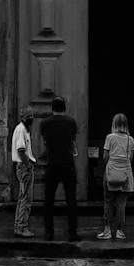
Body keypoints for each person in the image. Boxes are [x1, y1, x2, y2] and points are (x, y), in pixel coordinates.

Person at [38, 96, 80, 242]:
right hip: (68, 163)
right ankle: (72, 233)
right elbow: (72, 141)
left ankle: (49, 232)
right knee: (71, 199)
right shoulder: (71, 122)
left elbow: (44, 141)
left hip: (52, 163)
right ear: (64, 108)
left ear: (52, 108)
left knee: (48, 200)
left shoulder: (45, 123)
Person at [98, 113, 134, 240]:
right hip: (125, 173)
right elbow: (130, 158)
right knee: (121, 204)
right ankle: (120, 231)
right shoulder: (130, 140)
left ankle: (107, 230)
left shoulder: (110, 137)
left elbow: (105, 157)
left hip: (111, 172)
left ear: (114, 124)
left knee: (108, 202)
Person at [10, 107, 36, 238]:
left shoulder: (24, 129)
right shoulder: (21, 129)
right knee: (25, 199)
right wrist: (28, 165)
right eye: (29, 116)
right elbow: (21, 150)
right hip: (24, 167)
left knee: (23, 197)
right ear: (24, 117)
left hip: (23, 166)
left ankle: (19, 226)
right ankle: (21, 227)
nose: (32, 118)